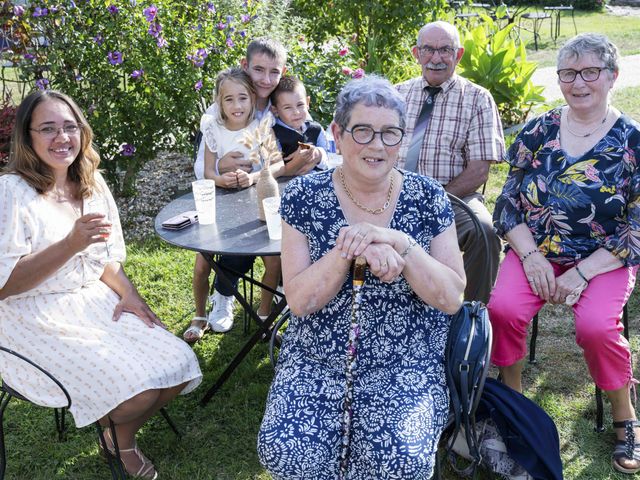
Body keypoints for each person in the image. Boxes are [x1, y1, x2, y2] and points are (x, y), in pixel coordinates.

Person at [257, 76, 465, 479]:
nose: (377, 145)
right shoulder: (303, 197)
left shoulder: (427, 197)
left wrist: (401, 244)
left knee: (397, 460)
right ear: (337, 132)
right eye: (363, 130)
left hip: (404, 359)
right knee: (285, 448)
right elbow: (300, 301)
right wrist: (349, 247)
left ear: (402, 139)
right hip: (317, 357)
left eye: (390, 133)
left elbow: (451, 297)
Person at [0, 90, 202, 479]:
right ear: (27, 138)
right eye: (47, 129)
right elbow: (5, 285)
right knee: (140, 389)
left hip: (92, 300)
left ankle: (114, 434)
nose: (61, 138)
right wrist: (69, 244)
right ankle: (123, 444)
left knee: (180, 363)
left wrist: (130, 294)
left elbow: (105, 259)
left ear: (82, 132)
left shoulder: (91, 183)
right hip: (32, 316)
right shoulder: (11, 192)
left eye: (69, 126)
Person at [488, 33, 640, 474]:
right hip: (535, 248)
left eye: (590, 72)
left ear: (612, 76)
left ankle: (625, 417)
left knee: (595, 326)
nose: (578, 83)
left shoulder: (633, 142)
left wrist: (582, 273)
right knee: (502, 308)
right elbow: (507, 203)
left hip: (605, 258)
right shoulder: (539, 130)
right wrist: (532, 256)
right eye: (569, 73)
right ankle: (513, 403)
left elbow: (637, 229)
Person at [396, 20, 504, 303]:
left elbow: (479, 169)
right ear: (415, 54)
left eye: (445, 49)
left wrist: (433, 199)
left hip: (453, 197)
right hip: (391, 193)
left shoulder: (478, 98)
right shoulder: (395, 95)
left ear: (458, 55)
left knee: (485, 232)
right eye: (428, 49)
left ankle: (468, 318)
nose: (436, 57)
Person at [190, 37, 287, 336]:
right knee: (234, 243)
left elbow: (283, 152)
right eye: (259, 70)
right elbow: (202, 168)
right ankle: (224, 294)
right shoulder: (216, 117)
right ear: (245, 67)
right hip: (225, 196)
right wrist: (220, 170)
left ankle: (276, 296)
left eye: (275, 72)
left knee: (277, 242)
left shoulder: (276, 106)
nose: (266, 79)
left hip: (265, 193)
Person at [270, 75, 329, 175]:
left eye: (300, 105)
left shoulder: (316, 129)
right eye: (288, 108)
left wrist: (317, 154)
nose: (296, 112)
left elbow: (327, 159)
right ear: (275, 110)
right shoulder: (274, 134)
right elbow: (275, 168)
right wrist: (299, 161)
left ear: (307, 102)